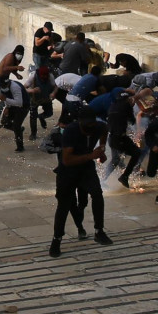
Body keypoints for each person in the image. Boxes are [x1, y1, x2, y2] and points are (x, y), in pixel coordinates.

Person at [49, 108, 112, 258]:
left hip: (86, 169)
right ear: (79, 123)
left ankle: (99, 231)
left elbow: (105, 130)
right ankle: (56, 240)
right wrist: (92, 155)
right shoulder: (71, 131)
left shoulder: (99, 126)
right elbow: (67, 160)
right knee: (63, 205)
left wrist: (102, 148)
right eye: (86, 127)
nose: (88, 130)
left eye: (91, 126)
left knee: (97, 194)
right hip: (68, 171)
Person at [0, 45, 26, 127]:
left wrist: (17, 74)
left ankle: (4, 121)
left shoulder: (17, 59)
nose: (19, 55)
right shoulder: (10, 56)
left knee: (9, 100)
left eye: (21, 54)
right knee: (3, 100)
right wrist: (17, 67)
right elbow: (5, 68)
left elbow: (11, 68)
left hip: (6, 81)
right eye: (18, 53)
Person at [0, 78, 30, 152]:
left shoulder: (15, 87)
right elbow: (5, 96)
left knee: (16, 125)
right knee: (4, 122)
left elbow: (19, 103)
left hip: (23, 105)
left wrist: (5, 100)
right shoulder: (0, 87)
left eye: (5, 86)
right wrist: (7, 107)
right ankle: (19, 130)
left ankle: (20, 147)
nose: (4, 87)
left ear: (9, 83)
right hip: (12, 104)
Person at [25, 66, 56, 140]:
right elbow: (24, 88)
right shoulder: (33, 77)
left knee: (49, 113)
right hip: (34, 99)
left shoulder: (50, 76)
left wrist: (54, 93)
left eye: (46, 75)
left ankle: (41, 117)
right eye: (42, 76)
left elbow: (56, 86)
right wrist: (32, 90)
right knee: (33, 116)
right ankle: (33, 134)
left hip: (46, 98)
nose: (44, 77)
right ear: (39, 74)